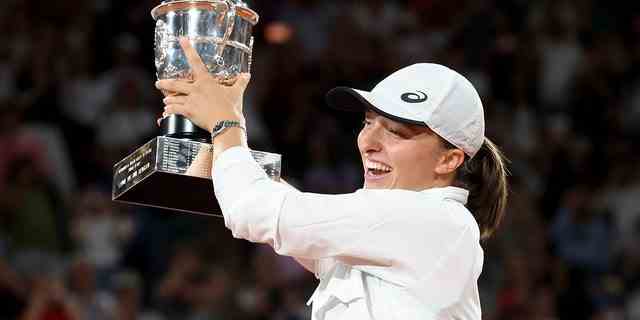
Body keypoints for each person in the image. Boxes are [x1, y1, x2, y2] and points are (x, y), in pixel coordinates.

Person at [156, 38, 509, 320]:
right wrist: (217, 141)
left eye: (397, 133)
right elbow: (284, 217)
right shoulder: (391, 234)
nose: (369, 143)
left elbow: (252, 210)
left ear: (449, 159)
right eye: (368, 122)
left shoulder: (436, 221)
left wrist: (226, 124)